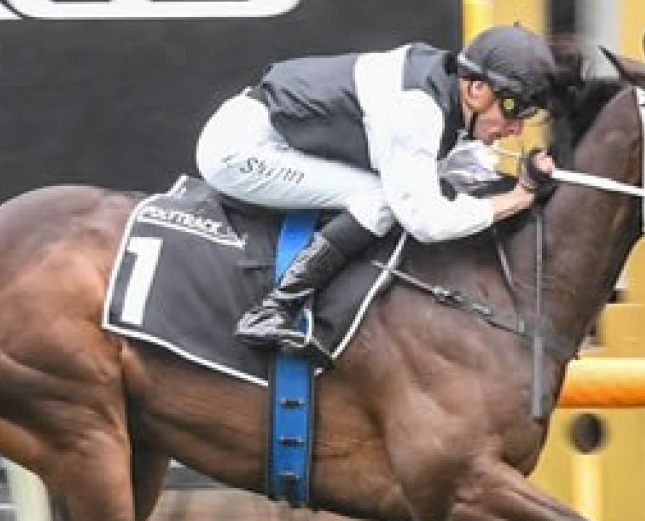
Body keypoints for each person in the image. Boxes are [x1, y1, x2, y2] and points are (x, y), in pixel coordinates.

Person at [195, 22, 559, 353]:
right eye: (514, 111)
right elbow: (426, 222)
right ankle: (273, 309)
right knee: (378, 200)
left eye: (528, 116)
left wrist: (520, 171)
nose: (516, 130)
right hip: (239, 149)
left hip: (273, 134)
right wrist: (517, 197)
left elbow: (460, 166)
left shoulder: (445, 87)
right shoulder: (416, 111)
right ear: (477, 89)